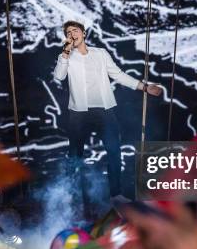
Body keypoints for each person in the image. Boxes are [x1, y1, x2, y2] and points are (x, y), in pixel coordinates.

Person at [53, 20, 162, 198]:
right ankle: (74, 196)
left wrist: (144, 87)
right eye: (69, 32)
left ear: (83, 33)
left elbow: (118, 74)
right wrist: (65, 52)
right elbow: (59, 75)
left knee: (114, 150)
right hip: (78, 113)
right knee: (75, 155)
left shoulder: (100, 53)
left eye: (75, 30)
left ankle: (116, 194)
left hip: (104, 110)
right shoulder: (66, 57)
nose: (72, 34)